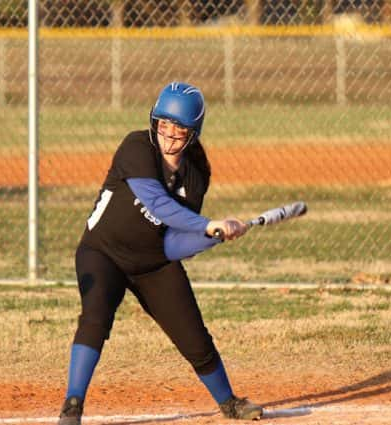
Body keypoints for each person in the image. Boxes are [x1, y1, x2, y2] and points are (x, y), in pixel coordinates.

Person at [57, 82, 263, 425]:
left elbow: (176, 243)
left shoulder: (196, 174)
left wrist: (213, 236)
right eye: (163, 123)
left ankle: (229, 403)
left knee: (194, 335)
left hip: (153, 262)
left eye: (179, 128)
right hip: (102, 251)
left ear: (193, 133)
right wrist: (207, 224)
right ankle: (72, 406)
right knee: (96, 315)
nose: (168, 134)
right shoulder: (136, 146)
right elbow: (159, 205)